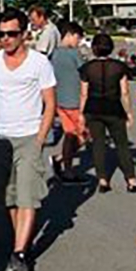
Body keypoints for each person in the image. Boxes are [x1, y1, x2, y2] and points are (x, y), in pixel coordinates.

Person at [0, 8, 57, 271]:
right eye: (1, 34)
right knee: (9, 197)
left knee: (28, 196)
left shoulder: (39, 63)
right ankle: (19, 243)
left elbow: (50, 103)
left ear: (24, 34)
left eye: (12, 34)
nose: (6, 39)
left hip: (28, 138)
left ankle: (20, 252)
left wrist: (39, 138)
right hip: (0, 138)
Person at [79, 34, 136, 194]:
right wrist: (129, 112)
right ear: (110, 48)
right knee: (122, 144)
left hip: (93, 108)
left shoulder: (87, 68)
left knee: (98, 144)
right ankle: (131, 179)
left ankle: (103, 180)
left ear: (94, 48)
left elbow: (84, 94)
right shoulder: (119, 67)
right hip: (114, 108)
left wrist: (81, 114)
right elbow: (124, 93)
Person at [49, 22, 86, 183]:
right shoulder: (74, 54)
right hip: (75, 101)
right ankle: (61, 159)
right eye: (78, 37)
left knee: (70, 135)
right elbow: (85, 74)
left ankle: (67, 168)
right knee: (84, 134)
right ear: (70, 35)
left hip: (60, 101)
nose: (78, 41)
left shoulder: (54, 54)